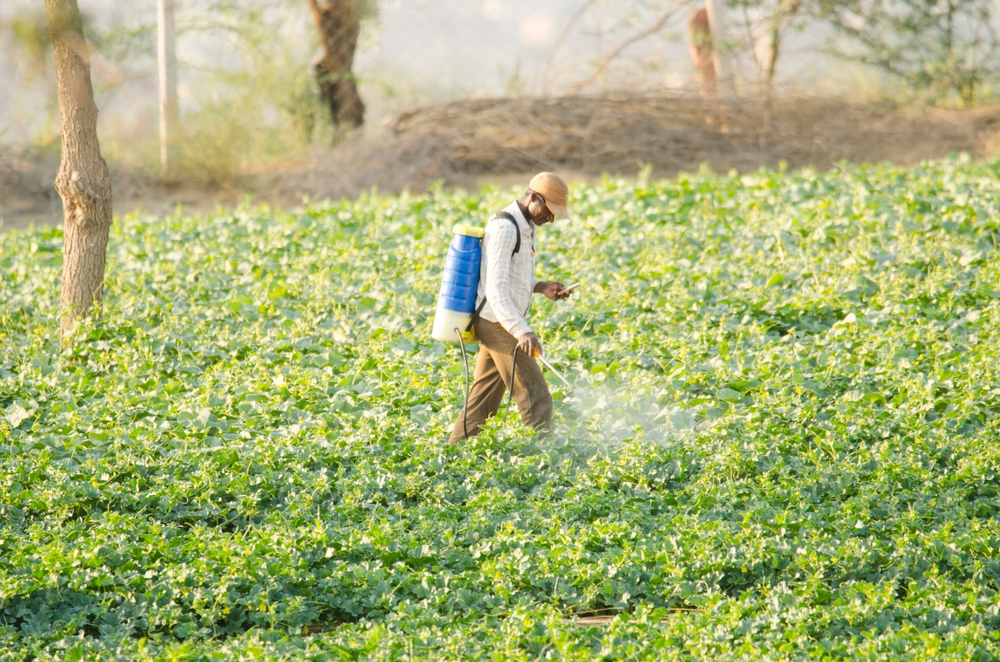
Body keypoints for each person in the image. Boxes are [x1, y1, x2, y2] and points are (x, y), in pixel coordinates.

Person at [449, 172, 573, 442]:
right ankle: (540, 462)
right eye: (549, 211)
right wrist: (521, 331)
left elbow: (512, 277)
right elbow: (495, 288)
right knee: (535, 396)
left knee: (483, 400)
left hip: (498, 320)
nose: (550, 218)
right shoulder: (505, 228)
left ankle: (454, 453)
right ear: (533, 197)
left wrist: (542, 286)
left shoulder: (525, 225)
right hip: (498, 322)